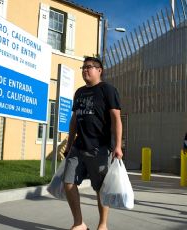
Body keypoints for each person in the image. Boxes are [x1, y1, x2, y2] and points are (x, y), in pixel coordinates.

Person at [63, 56, 123, 230]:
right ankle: (79, 223)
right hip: (78, 146)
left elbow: (116, 119)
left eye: (89, 67)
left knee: (101, 188)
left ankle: (102, 225)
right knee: (68, 182)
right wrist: (68, 145)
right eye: (83, 67)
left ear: (99, 70)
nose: (85, 70)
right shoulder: (79, 92)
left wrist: (118, 146)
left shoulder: (108, 90)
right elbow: (74, 120)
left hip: (100, 148)